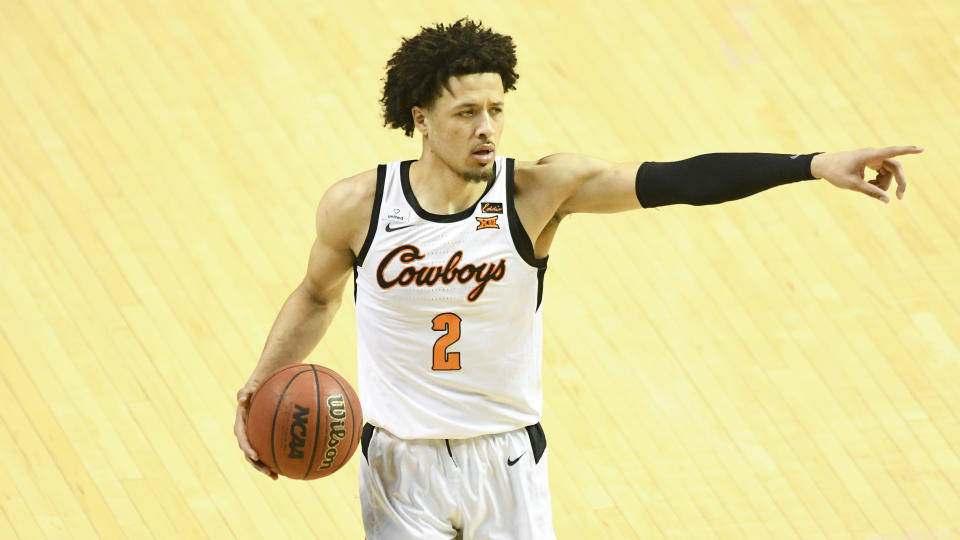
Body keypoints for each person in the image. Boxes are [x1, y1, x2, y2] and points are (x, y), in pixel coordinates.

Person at [234, 18, 922, 539]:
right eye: (467, 113)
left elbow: (678, 180)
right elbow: (317, 294)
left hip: (506, 459)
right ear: (420, 119)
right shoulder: (359, 206)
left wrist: (808, 163)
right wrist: (260, 382)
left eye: (496, 109)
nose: (488, 129)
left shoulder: (539, 192)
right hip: (398, 467)